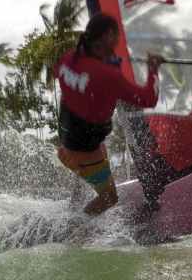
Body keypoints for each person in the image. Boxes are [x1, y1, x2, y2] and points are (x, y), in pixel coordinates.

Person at [54, 12, 163, 216]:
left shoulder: (67, 59)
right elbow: (149, 99)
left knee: (99, 147)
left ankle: (74, 205)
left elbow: (80, 78)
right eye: (116, 35)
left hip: (66, 148)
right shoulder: (106, 76)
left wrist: (107, 64)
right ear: (106, 36)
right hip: (84, 156)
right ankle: (75, 227)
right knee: (109, 198)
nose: (119, 40)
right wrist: (153, 69)